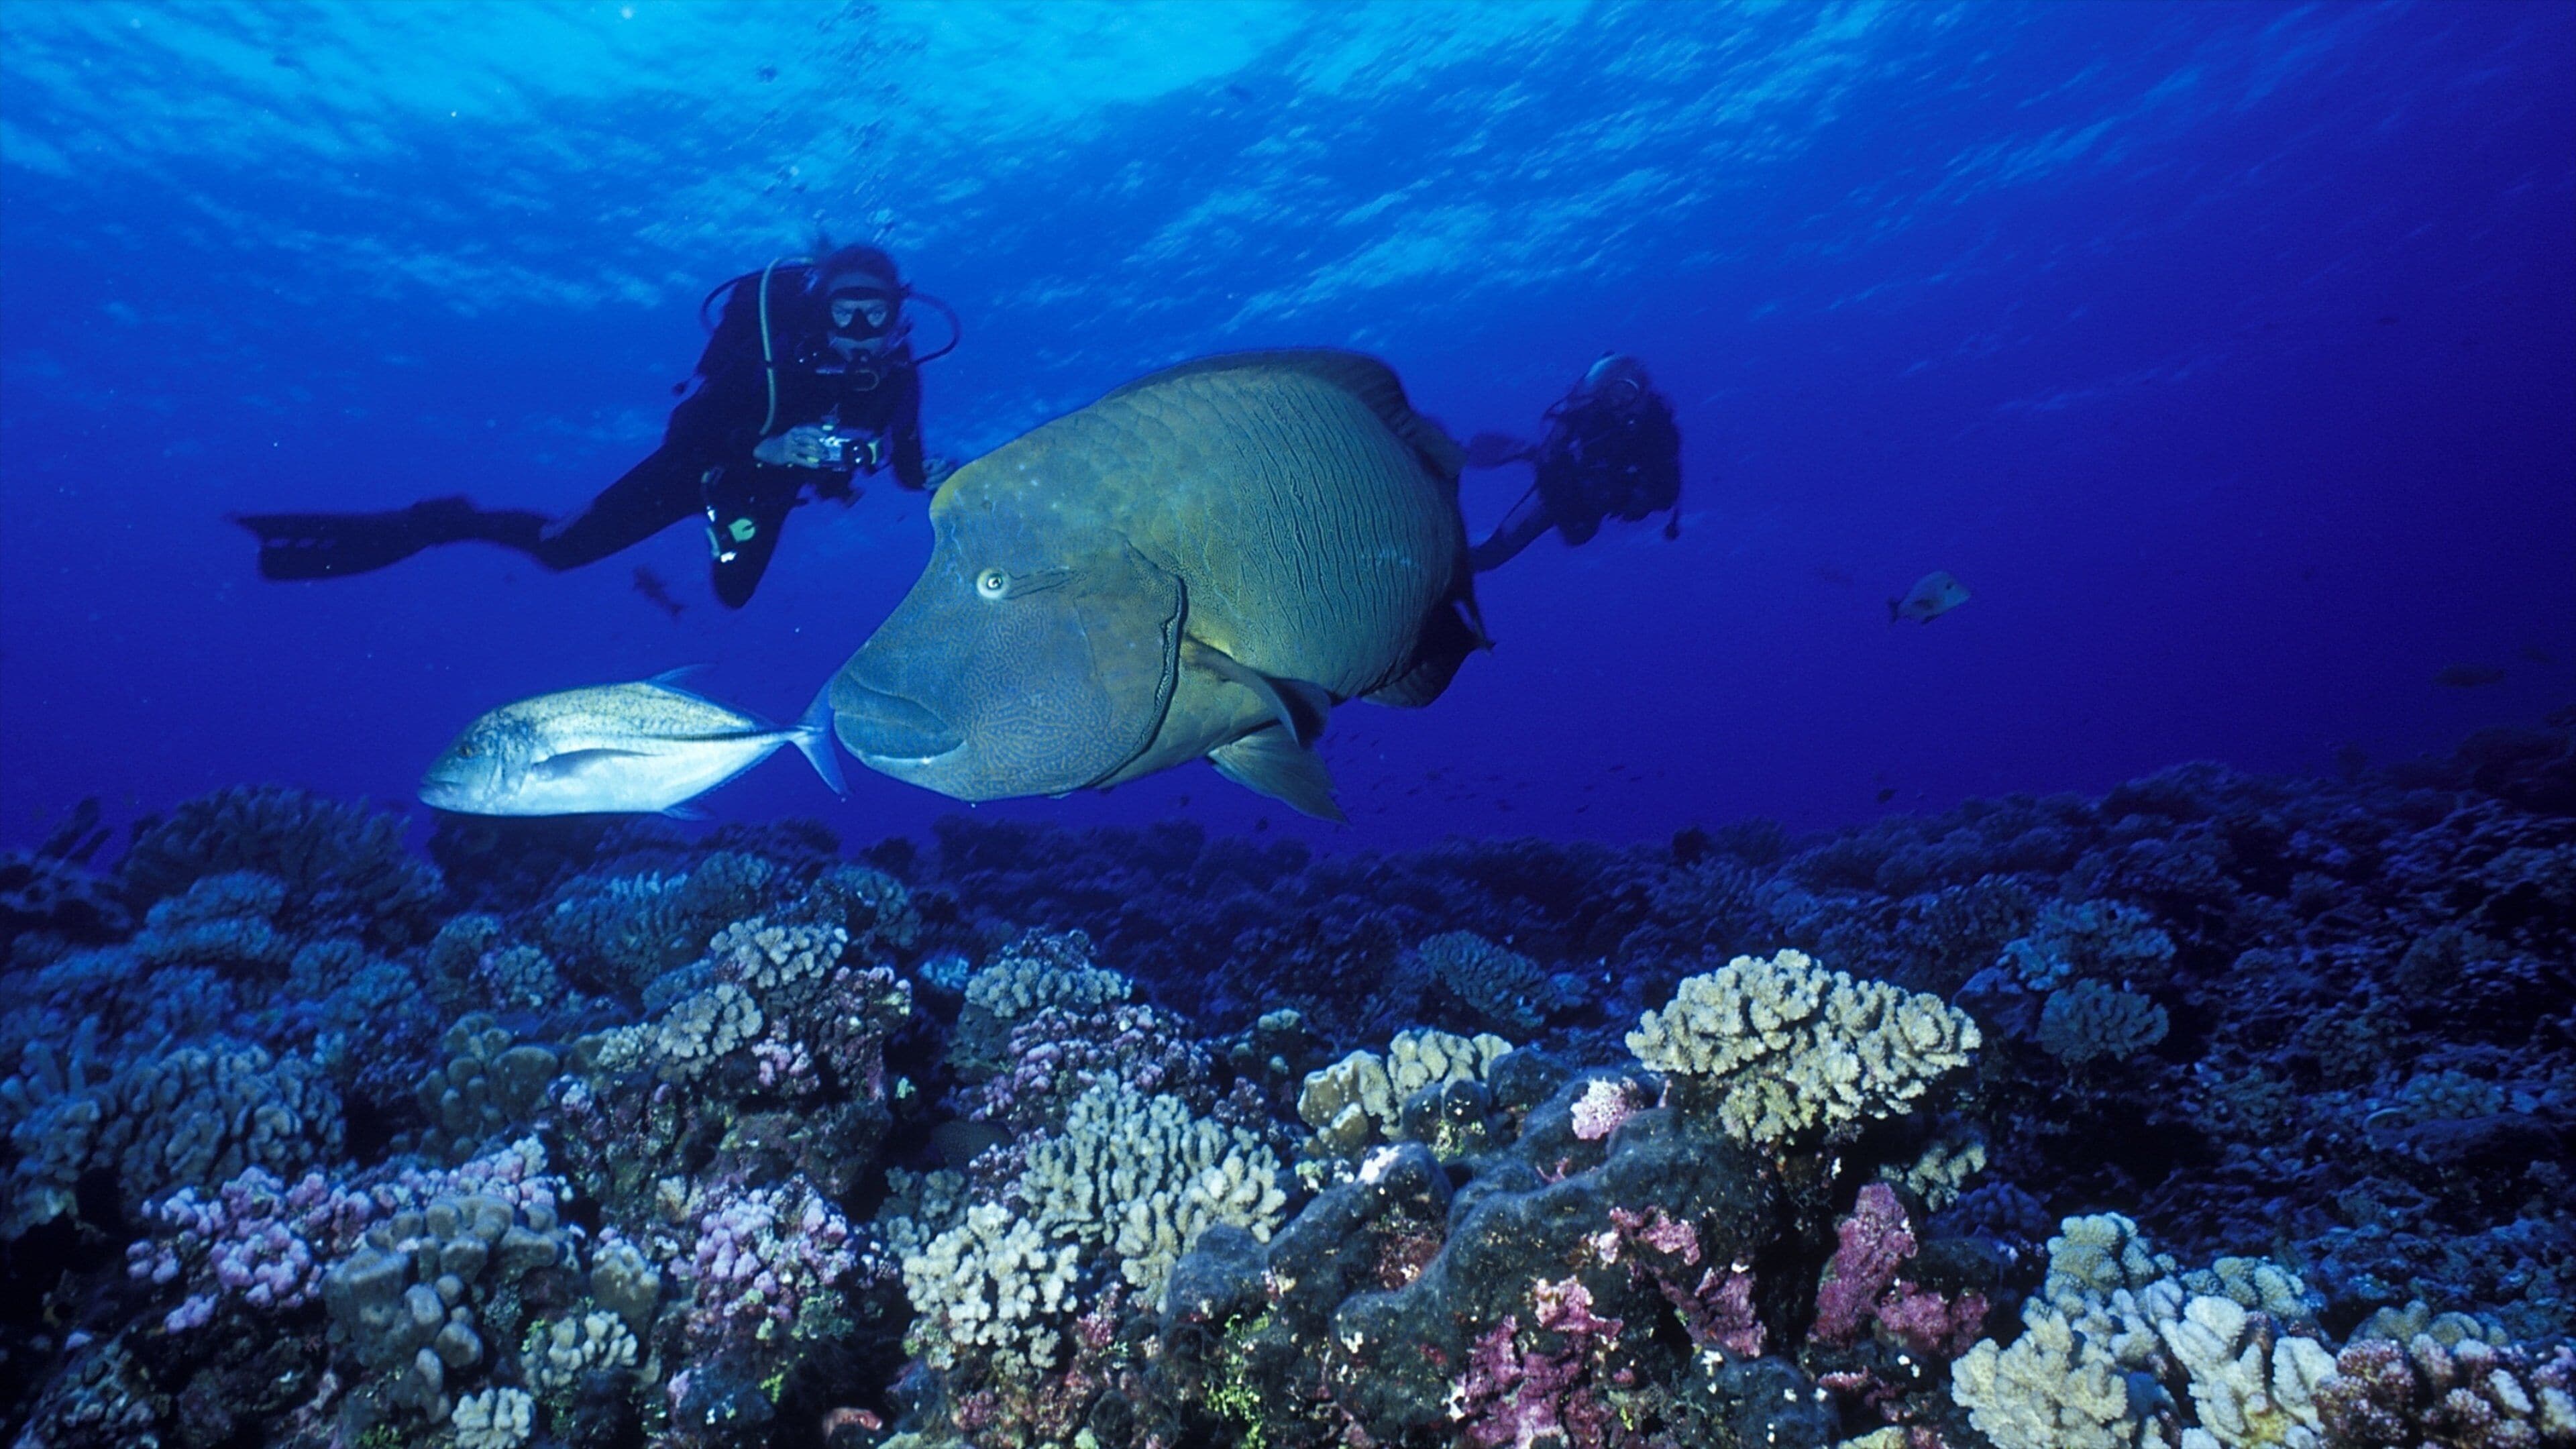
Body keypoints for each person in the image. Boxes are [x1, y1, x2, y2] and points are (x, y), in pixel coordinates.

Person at [234, 241, 957, 609]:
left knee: (733, 597)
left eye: (875, 314)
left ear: (898, 315)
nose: (859, 329)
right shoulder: (771, 355)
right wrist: (762, 443)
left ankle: (724, 524)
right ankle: (442, 521)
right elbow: (687, 430)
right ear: (821, 309)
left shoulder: (899, 376)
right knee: (560, 552)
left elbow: (904, 466)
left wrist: (939, 478)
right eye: (844, 311)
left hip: (761, 497)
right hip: (694, 470)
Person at [1464, 352, 1682, 572]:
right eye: (1612, 394)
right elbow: (1554, 444)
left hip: (1588, 498)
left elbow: (1666, 494)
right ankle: (1521, 452)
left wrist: (1628, 493)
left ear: (1643, 392)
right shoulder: (1591, 411)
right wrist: (1550, 462)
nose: (1618, 402)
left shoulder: (1660, 433)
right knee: (1491, 555)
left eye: (1626, 392)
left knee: (1578, 533)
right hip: (1565, 479)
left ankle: (1526, 455)